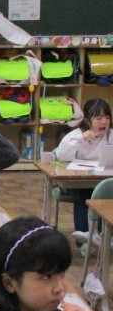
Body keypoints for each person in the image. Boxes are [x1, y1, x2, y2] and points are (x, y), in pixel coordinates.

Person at [54, 98, 113, 244]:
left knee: (105, 194)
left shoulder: (111, 135)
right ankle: (85, 242)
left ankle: (102, 236)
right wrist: (80, 138)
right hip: (77, 182)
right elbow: (61, 156)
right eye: (98, 118)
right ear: (87, 120)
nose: (104, 122)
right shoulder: (76, 135)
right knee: (84, 195)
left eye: (107, 118)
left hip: (102, 180)